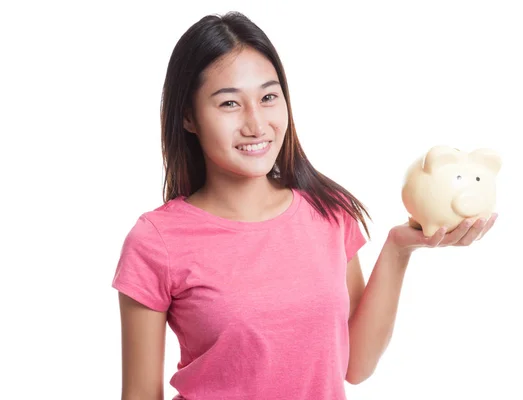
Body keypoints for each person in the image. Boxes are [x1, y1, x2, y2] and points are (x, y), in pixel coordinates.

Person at [112, 11, 497, 400]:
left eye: (267, 97)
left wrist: (400, 248)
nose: (256, 124)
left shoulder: (329, 212)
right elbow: (141, 394)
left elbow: (356, 366)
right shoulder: (156, 241)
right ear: (188, 117)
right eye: (229, 104)